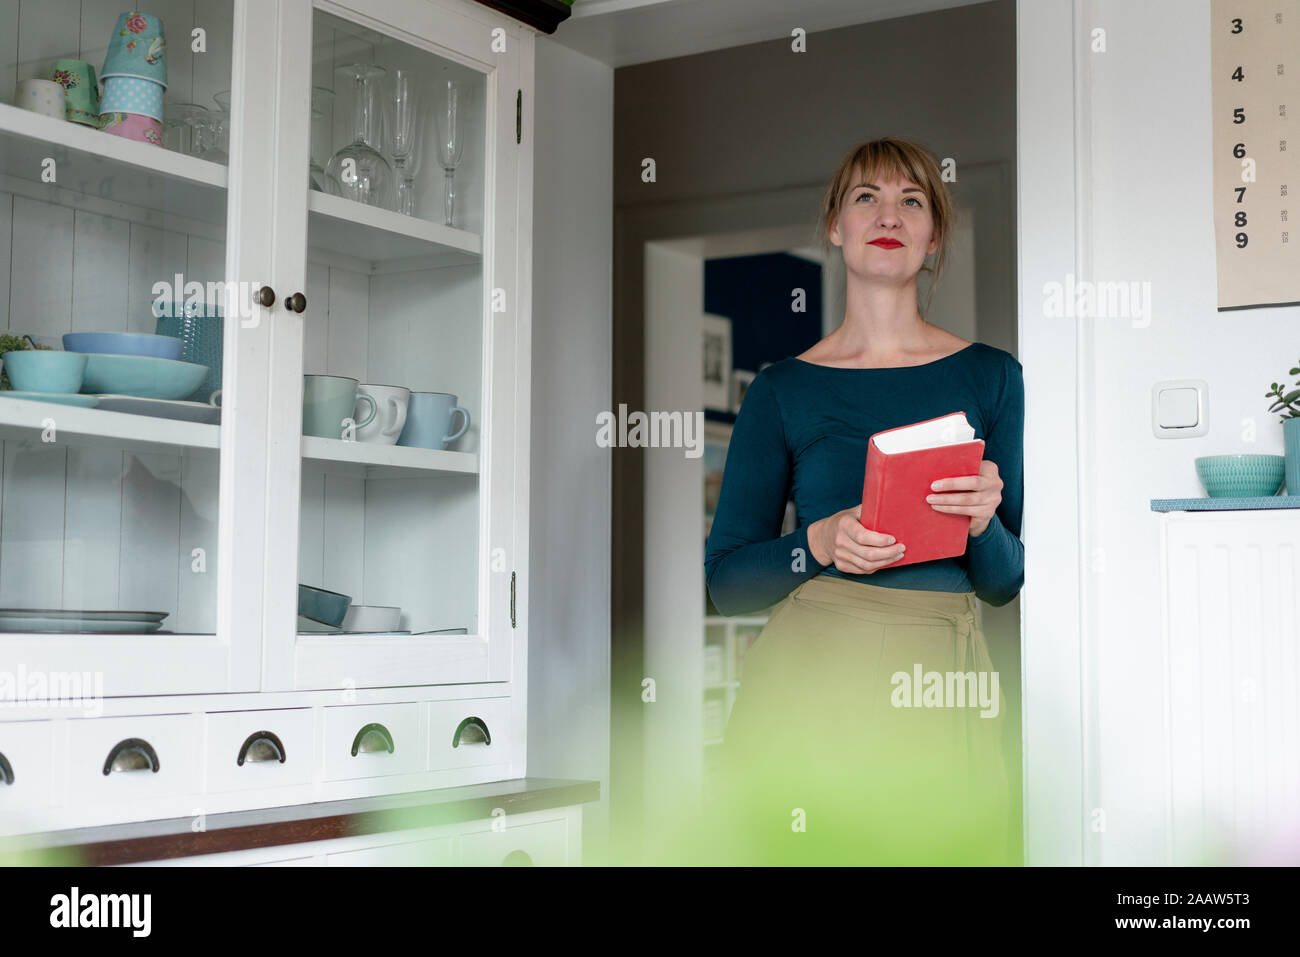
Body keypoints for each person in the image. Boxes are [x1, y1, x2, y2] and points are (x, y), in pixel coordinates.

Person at [703, 136, 1024, 866]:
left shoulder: (993, 376)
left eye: (912, 199)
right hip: (808, 682)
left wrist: (982, 523)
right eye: (866, 197)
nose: (890, 213)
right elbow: (725, 582)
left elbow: (1004, 582)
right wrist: (818, 542)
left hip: (938, 683)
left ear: (934, 234)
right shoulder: (782, 388)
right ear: (835, 225)